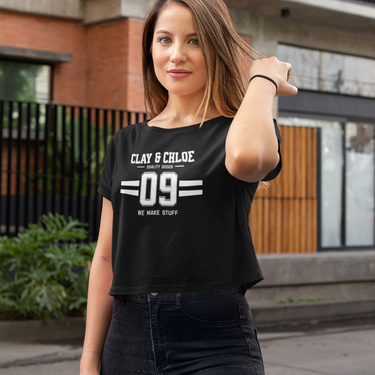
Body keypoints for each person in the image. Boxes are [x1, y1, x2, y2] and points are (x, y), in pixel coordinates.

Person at [79, 0, 297, 374]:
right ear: (150, 48)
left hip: (214, 339)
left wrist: (261, 82)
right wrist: (88, 358)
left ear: (216, 48)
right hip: (128, 338)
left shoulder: (238, 131)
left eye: (194, 41)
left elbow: (245, 159)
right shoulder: (124, 143)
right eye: (164, 40)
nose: (176, 55)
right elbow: (105, 257)